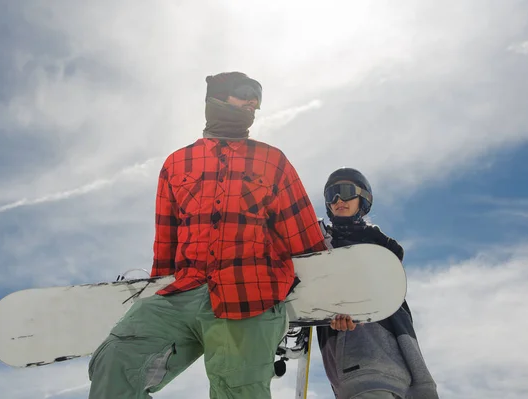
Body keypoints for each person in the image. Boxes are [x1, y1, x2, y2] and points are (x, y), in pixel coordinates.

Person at [87, 72, 342, 399]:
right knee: (114, 362)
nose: (254, 102)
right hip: (182, 293)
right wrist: (155, 288)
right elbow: (165, 244)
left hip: (250, 295)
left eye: (258, 98)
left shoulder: (272, 161)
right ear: (217, 98)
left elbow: (307, 243)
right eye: (247, 93)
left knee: (235, 389)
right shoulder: (176, 164)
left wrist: (334, 300)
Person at [317, 167, 439, 399]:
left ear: (363, 198)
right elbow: (313, 298)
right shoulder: (320, 247)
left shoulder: (383, 253)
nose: (337, 200)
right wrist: (329, 314)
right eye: (331, 194)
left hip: (401, 365)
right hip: (359, 364)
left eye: (344, 191)